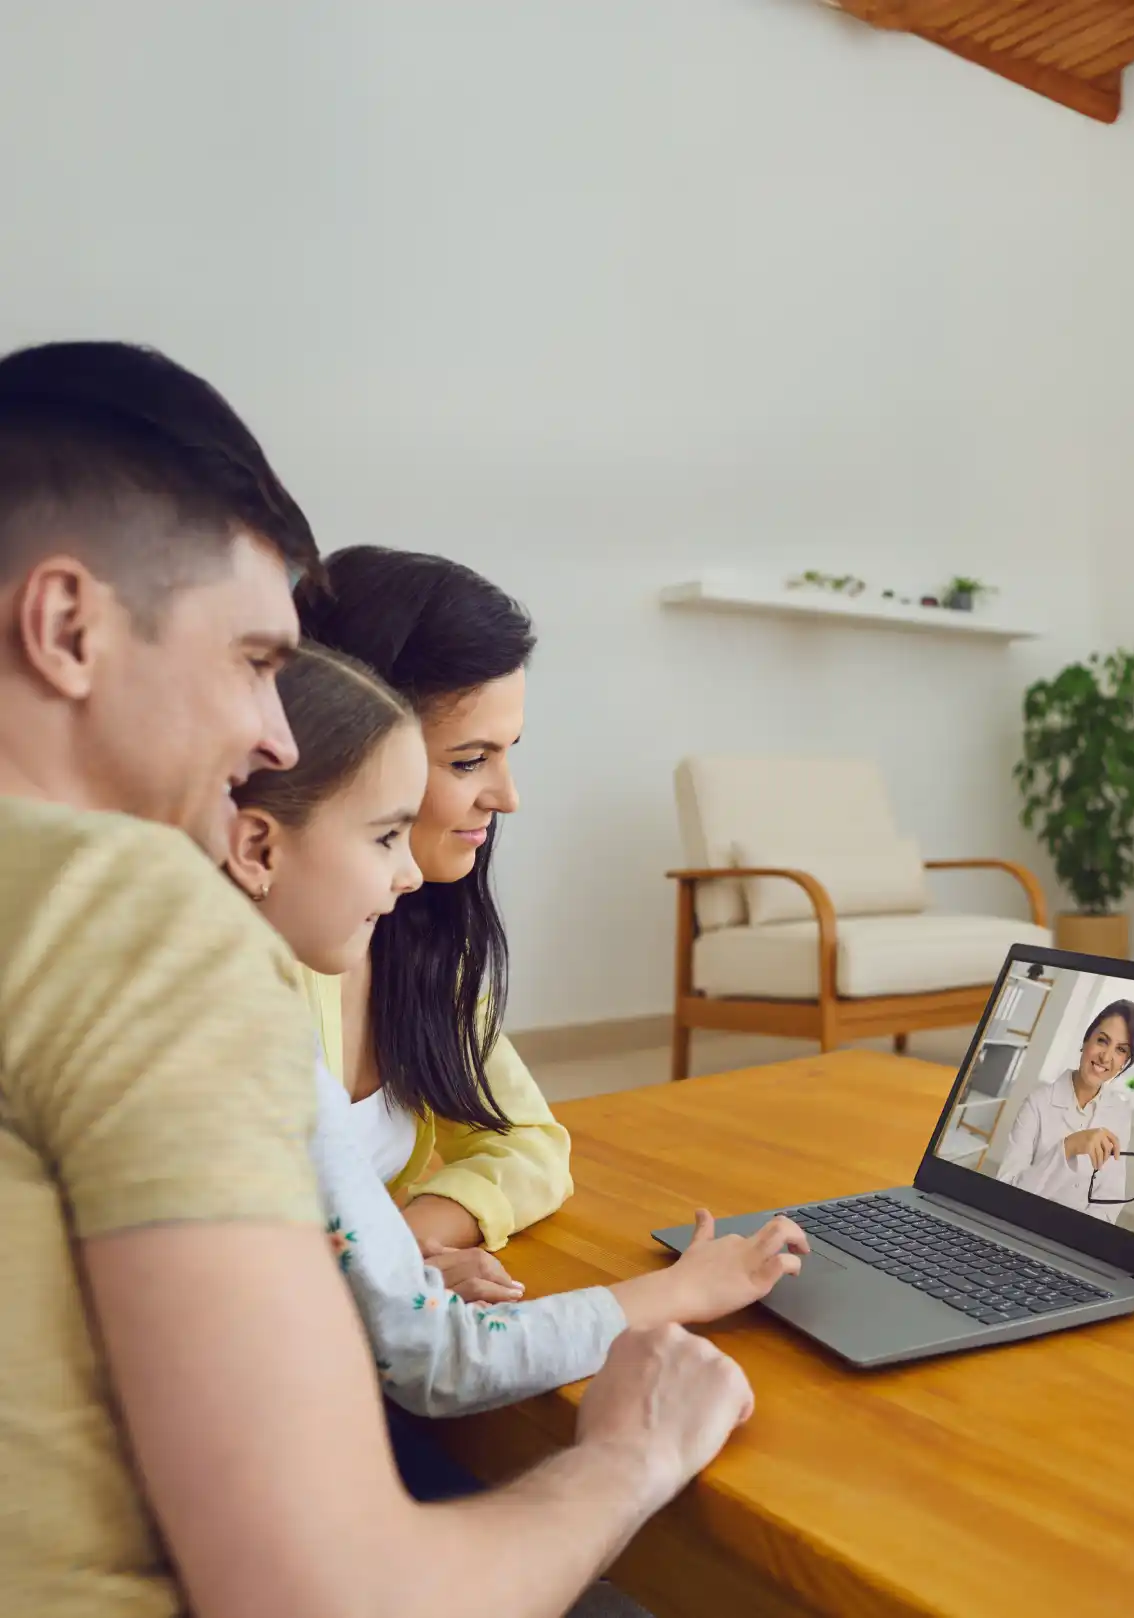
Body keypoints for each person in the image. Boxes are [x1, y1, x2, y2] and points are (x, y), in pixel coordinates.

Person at [0, 339, 761, 1618]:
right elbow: (333, 1594)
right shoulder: (137, 912)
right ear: (68, 626)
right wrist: (633, 1453)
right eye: (253, 662)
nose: (277, 734)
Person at [228, 642, 810, 1418]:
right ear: (257, 845)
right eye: (383, 837)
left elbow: (528, 1145)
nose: (405, 876)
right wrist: (675, 1292)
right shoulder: (255, 1037)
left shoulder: (297, 977)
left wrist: (396, 1262)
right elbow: (438, 1361)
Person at [295, 548, 566, 1295]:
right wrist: (381, 1263)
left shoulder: (417, 939)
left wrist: (398, 1243)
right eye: (469, 760)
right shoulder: (247, 955)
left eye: (507, 754)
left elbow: (531, 1148)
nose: (506, 797)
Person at [997, 999, 1134, 1223]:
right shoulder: (1037, 1103)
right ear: (1086, 1040)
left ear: (1125, 1062)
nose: (1105, 1057)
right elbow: (1005, 1194)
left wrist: (1081, 1239)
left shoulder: (1120, 1115)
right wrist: (1068, 1147)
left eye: (1120, 1049)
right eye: (1102, 1041)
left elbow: (1109, 1199)